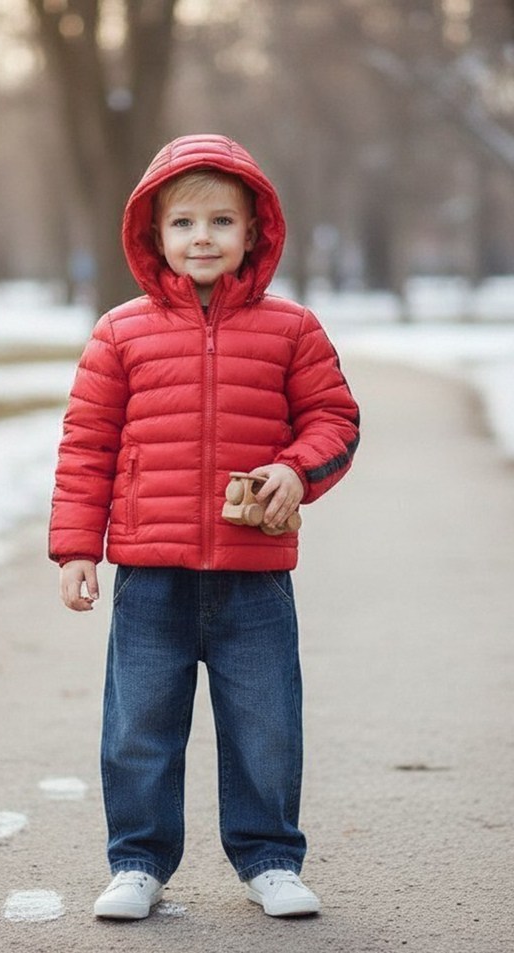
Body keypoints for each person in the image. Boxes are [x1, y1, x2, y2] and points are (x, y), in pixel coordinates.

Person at [48, 134, 360, 920]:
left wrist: (296, 467)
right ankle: (139, 861)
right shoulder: (120, 334)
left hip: (254, 574)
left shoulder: (292, 329)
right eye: (184, 223)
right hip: (151, 574)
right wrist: (79, 548)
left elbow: (335, 419)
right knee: (139, 726)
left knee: (266, 723)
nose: (203, 238)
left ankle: (269, 857)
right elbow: (87, 445)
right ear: (153, 235)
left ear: (255, 230)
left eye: (222, 221)